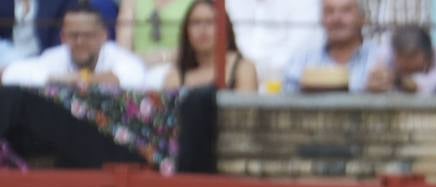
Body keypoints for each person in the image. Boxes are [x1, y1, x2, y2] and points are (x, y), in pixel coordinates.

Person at [2, 1, 147, 87]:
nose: (80, 41)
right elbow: (10, 74)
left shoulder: (115, 54)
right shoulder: (56, 56)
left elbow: (134, 74)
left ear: (103, 36)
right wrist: (53, 78)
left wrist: (81, 79)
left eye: (87, 35)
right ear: (63, 37)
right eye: (73, 35)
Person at [282, 0, 376, 92]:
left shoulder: (379, 58)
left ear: (363, 18)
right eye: (329, 11)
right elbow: (285, 98)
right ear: (321, 19)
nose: (337, 18)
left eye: (346, 10)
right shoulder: (302, 59)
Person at [164, 0, 259, 90]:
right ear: (186, 30)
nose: (202, 29)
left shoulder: (243, 69)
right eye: (196, 22)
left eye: (210, 22)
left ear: (225, 28)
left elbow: (245, 106)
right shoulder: (175, 77)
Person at [226, 0, 322, 88]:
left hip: (289, 92)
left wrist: (253, 73)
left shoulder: (305, 4)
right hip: (241, 85)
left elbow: (297, 56)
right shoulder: (231, 3)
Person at [366, 23, 436, 94]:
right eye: (404, 70)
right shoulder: (386, 54)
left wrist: (400, 81)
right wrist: (375, 85)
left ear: (429, 57)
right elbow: (371, 84)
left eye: (415, 70)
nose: (409, 75)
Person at [117, 0, 197, 67]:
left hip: (178, 66)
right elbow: (123, 49)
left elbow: (195, 48)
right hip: (136, 68)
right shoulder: (130, 2)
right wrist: (139, 62)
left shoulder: (195, 2)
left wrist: (162, 58)